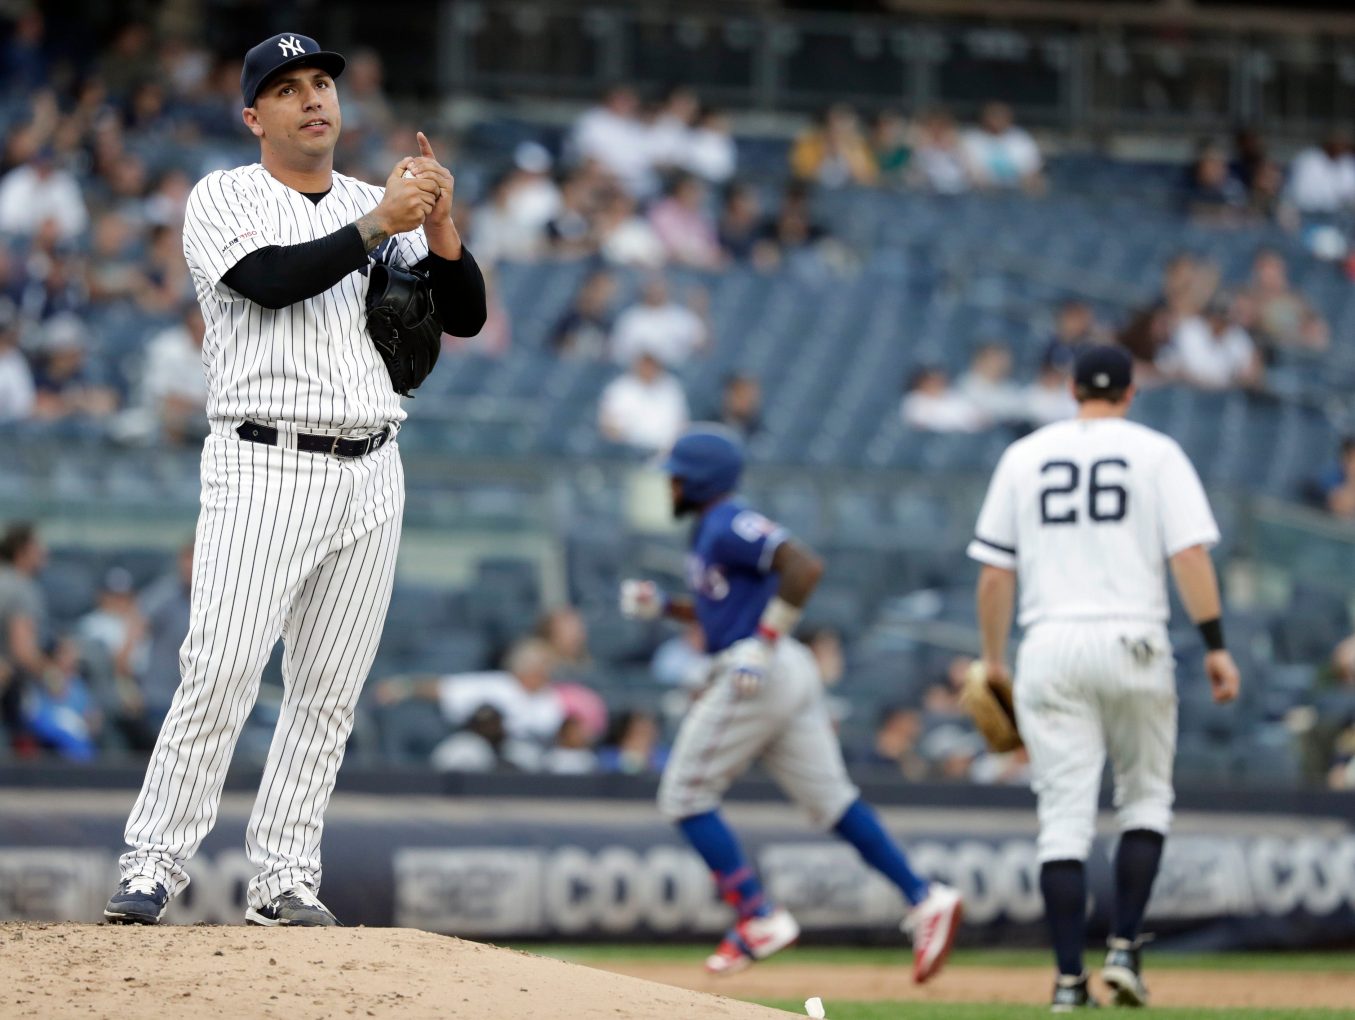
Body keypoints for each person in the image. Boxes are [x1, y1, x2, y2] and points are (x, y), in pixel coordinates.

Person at [104, 32, 487, 929]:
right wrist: (378, 226)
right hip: (262, 460)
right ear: (254, 116)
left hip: (371, 469)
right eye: (287, 88)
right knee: (222, 668)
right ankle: (153, 862)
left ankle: (283, 878)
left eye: (321, 82)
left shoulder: (374, 201)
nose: (313, 98)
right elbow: (272, 281)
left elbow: (462, 317)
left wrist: (436, 227)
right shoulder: (224, 196)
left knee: (327, 692)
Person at [619, 427, 962, 980]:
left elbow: (804, 565)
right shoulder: (709, 529)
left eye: (677, 475)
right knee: (831, 800)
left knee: (684, 794)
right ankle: (924, 897)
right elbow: (718, 613)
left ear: (700, 479)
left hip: (758, 670)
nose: (670, 485)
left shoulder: (728, 521)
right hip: (777, 667)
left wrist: (765, 640)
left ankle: (757, 915)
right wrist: (664, 606)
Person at [966, 346, 1240, 1009]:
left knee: (1061, 820)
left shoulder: (1023, 455)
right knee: (1143, 798)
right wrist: (1214, 646)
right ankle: (1122, 950)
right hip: (1132, 636)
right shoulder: (1156, 452)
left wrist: (994, 659)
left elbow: (994, 573)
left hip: (1050, 643)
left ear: (1067, 389)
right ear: (1129, 390)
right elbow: (1189, 555)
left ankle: (1066, 983)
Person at [597, 350, 690, 452]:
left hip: (665, 451)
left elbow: (682, 423)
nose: (648, 369)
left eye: (651, 365)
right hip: (628, 451)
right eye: (645, 365)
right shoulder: (620, 388)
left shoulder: (671, 387)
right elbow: (608, 425)